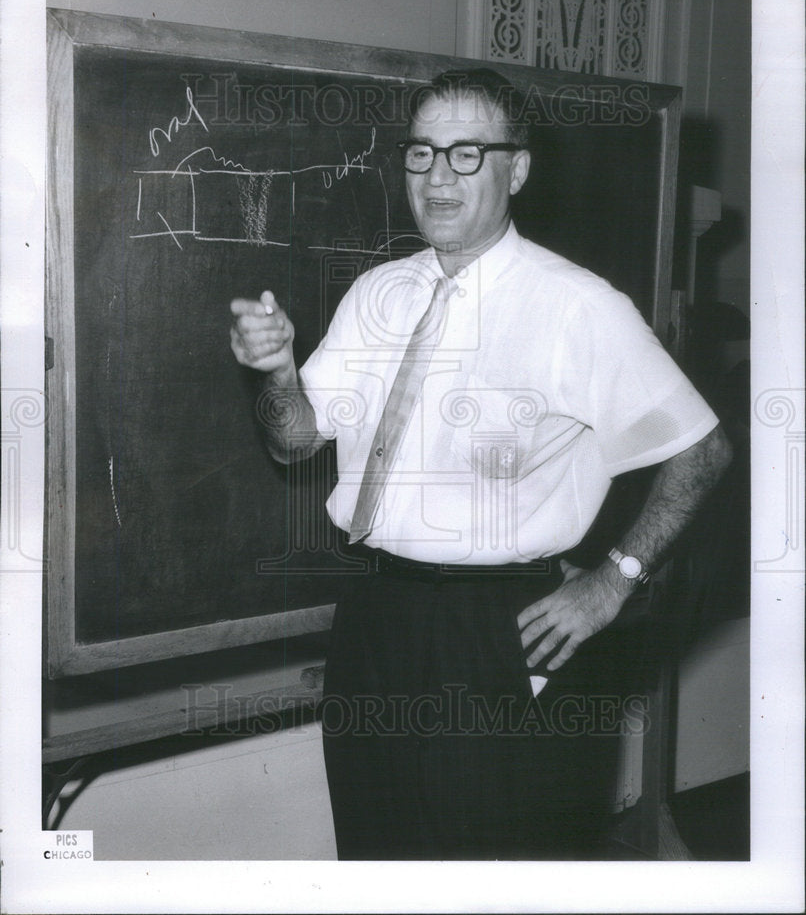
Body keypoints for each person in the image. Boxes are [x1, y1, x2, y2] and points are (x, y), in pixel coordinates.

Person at [230, 69, 732, 860]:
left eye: (467, 154)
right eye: (422, 153)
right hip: (375, 615)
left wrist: (614, 581)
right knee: (374, 857)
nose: (438, 177)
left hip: (499, 628)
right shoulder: (375, 293)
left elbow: (702, 449)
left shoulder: (577, 306)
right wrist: (276, 373)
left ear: (517, 170)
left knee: (495, 867)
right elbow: (294, 441)